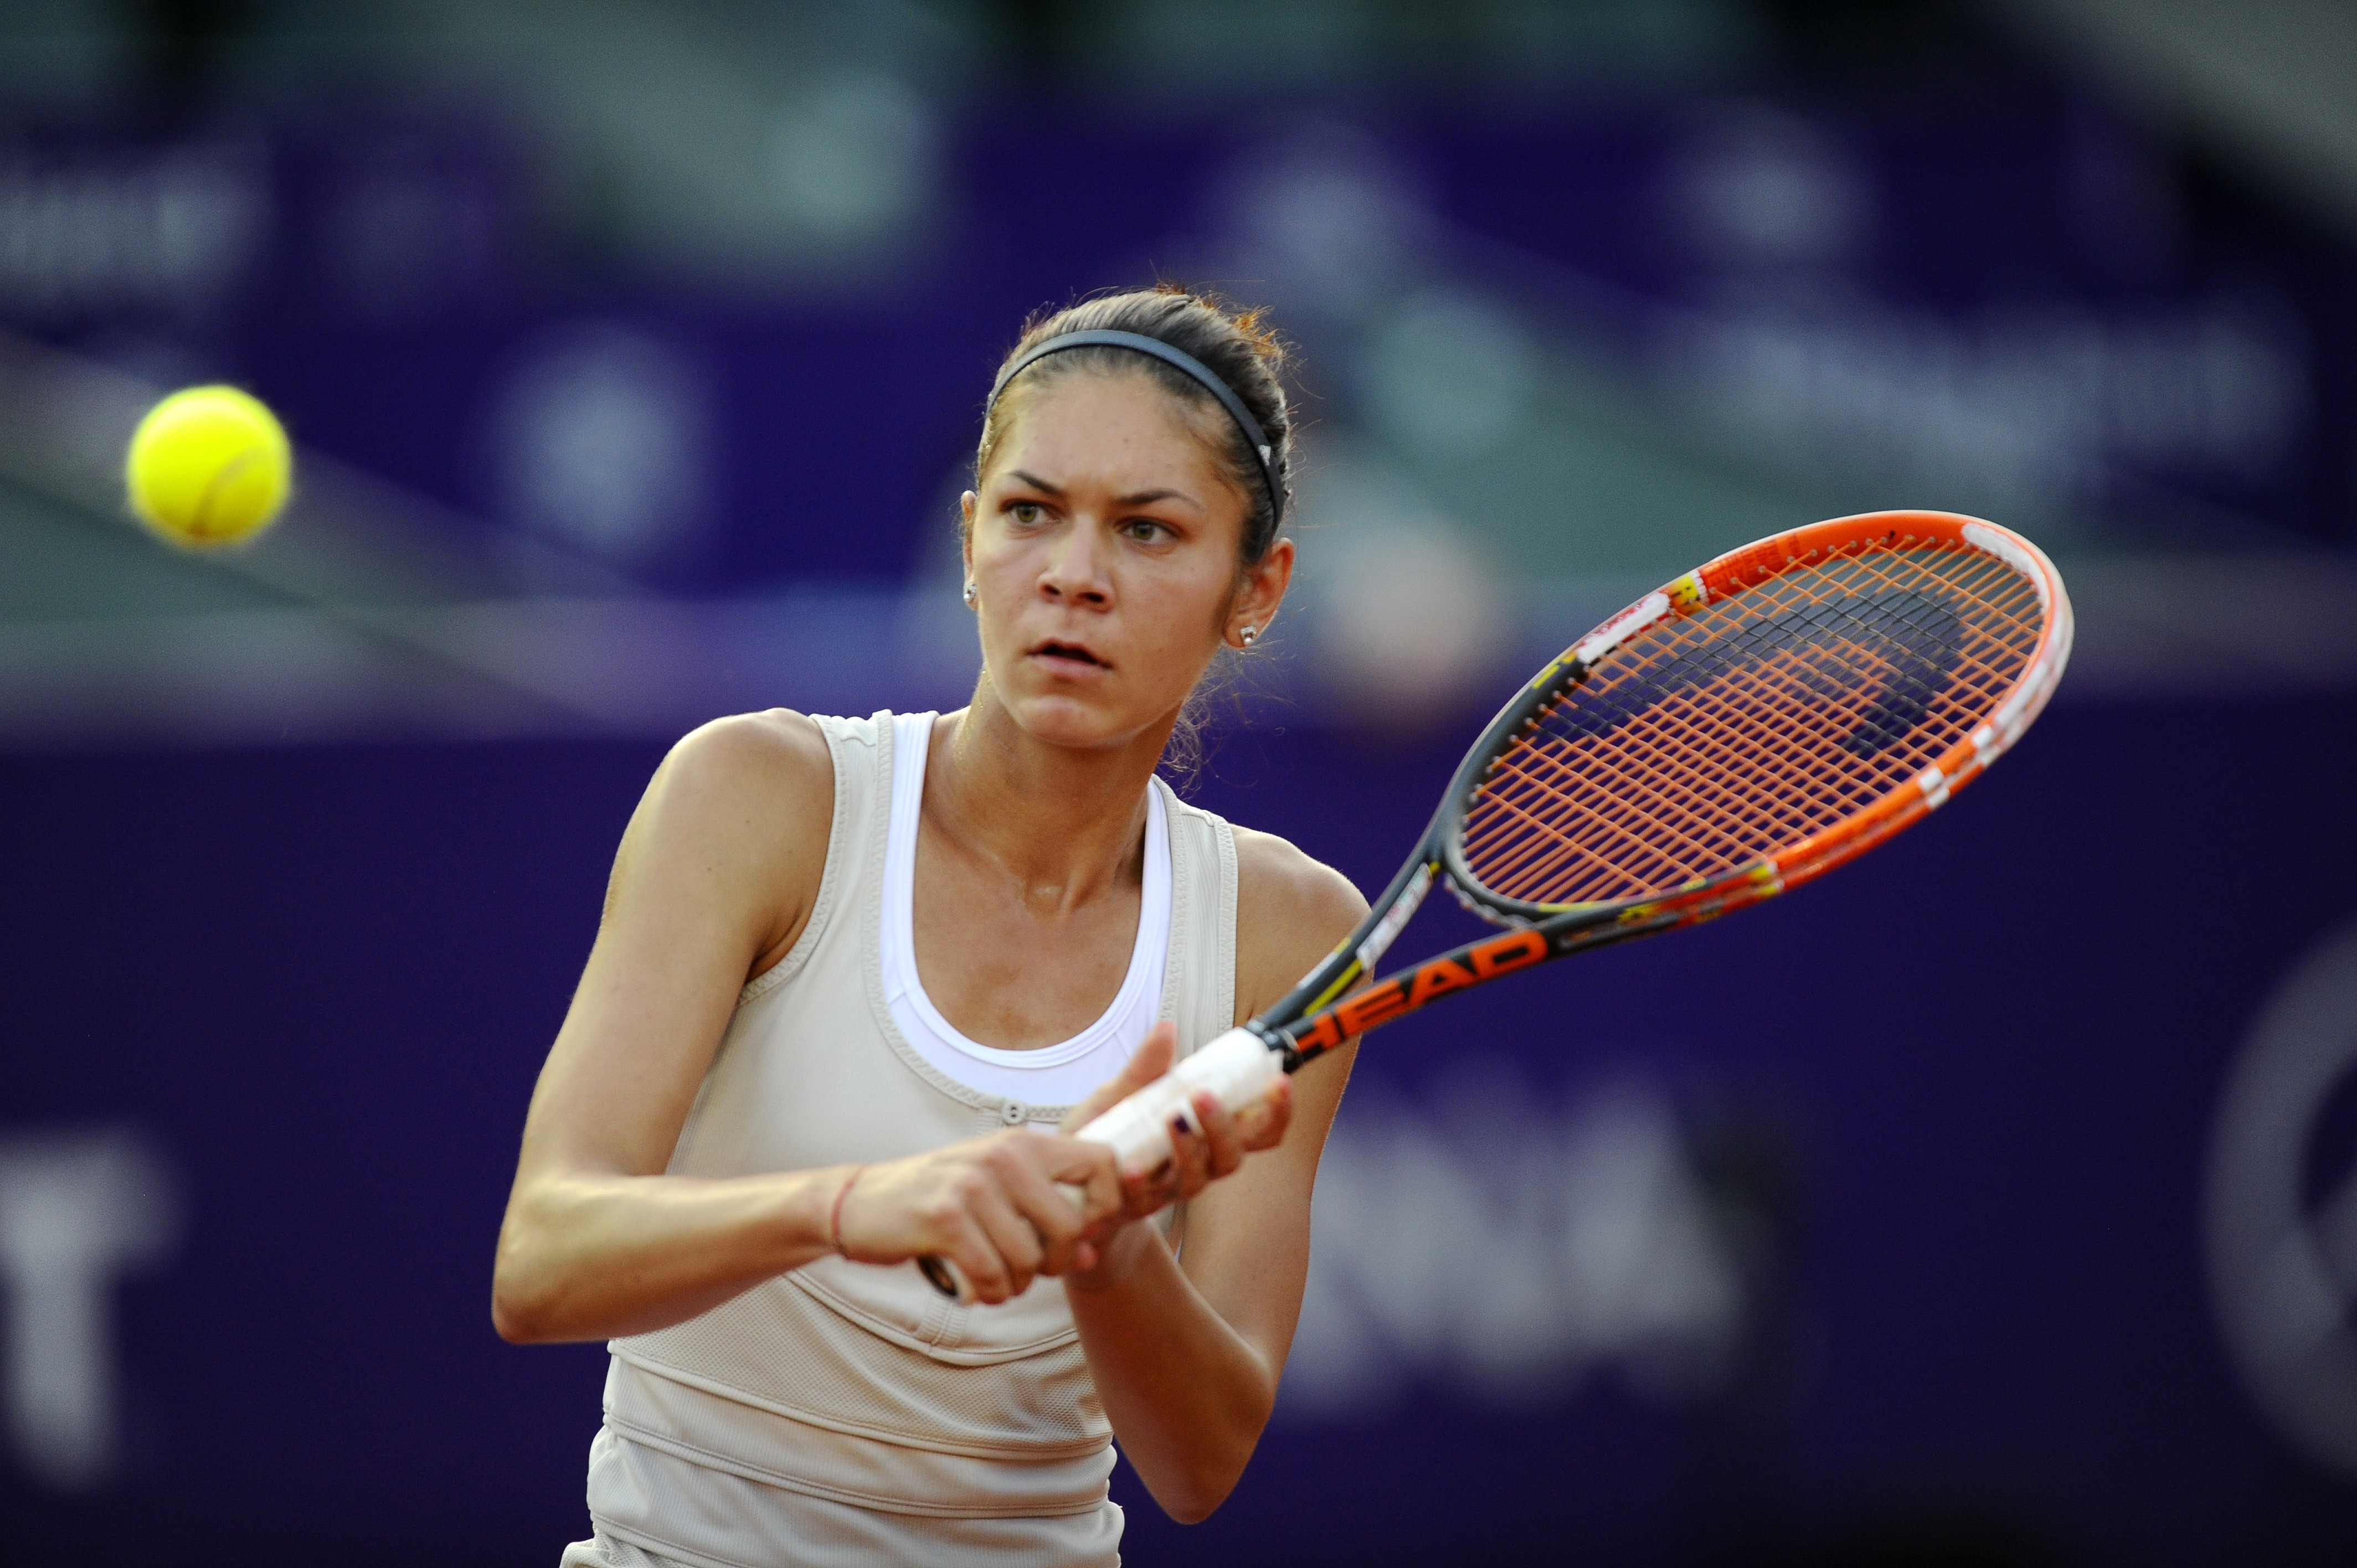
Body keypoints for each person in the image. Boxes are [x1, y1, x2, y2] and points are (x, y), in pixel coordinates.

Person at [491, 285, 1369, 1567]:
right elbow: (544, 1260)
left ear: (1258, 588)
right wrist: (855, 1206)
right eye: (1029, 513)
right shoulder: (759, 797)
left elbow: (1200, 1463)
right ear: (968, 544)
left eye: (1147, 530)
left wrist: (1114, 1253)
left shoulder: (1290, 933)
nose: (1073, 575)